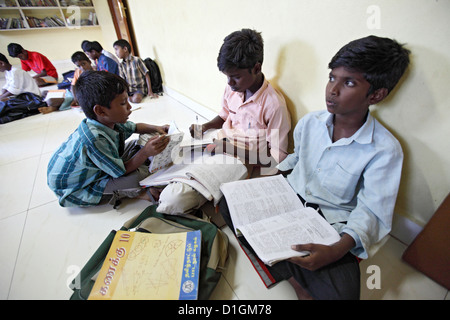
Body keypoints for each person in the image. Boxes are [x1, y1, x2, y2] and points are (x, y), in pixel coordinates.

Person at [219, 35, 411, 300]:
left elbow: (372, 211)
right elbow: (297, 159)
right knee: (227, 203)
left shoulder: (384, 150)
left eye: (349, 83)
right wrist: (267, 182)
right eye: (332, 78)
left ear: (376, 94)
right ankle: (297, 282)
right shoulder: (311, 123)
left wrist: (337, 249)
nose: (332, 90)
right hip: (290, 197)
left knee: (342, 295)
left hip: (329, 222)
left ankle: (288, 263)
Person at [47, 71, 170, 208]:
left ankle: (138, 169)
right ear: (100, 111)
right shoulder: (95, 139)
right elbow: (121, 171)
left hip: (94, 168)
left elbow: (135, 127)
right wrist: (145, 153)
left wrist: (158, 127)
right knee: (137, 176)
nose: (129, 107)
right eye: (123, 103)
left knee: (137, 143)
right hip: (77, 188)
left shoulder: (108, 121)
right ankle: (138, 192)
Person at [190, 29, 291, 172]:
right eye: (227, 77)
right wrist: (204, 127)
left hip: (244, 162)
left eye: (236, 77)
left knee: (179, 193)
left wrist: (231, 149)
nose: (230, 83)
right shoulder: (233, 89)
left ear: (256, 68)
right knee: (183, 163)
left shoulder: (273, 105)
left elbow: (276, 157)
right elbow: (224, 115)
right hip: (222, 145)